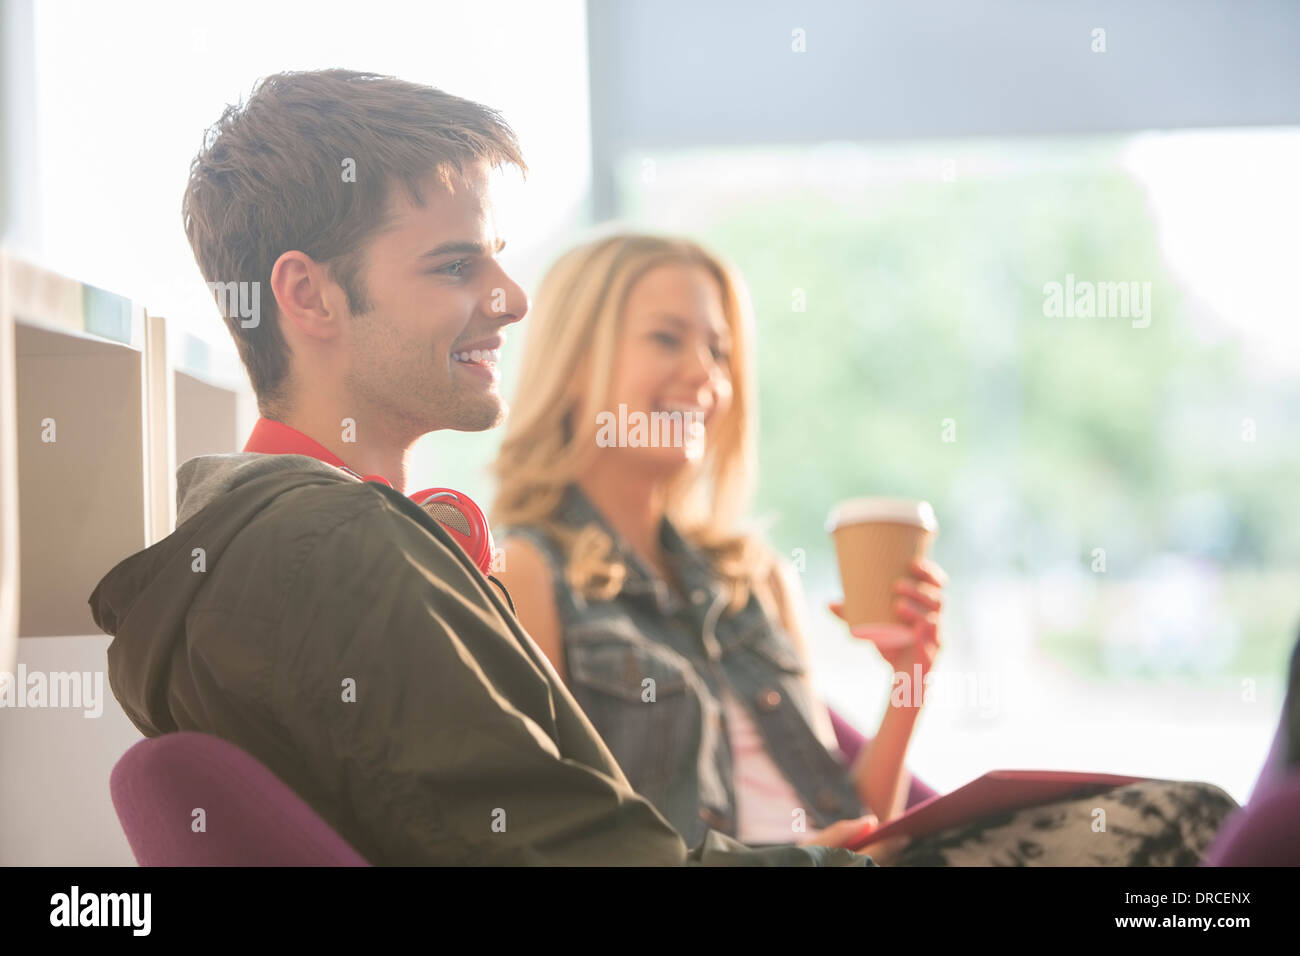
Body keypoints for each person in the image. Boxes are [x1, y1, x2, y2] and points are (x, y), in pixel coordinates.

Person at [88, 69, 870, 866]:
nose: (513, 299)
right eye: (456, 267)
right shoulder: (340, 550)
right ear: (309, 295)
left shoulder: (258, 537)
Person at [487, 231, 1240, 864]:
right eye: (667, 338)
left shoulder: (752, 578)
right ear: (575, 359)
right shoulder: (527, 572)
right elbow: (560, 836)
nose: (706, 375)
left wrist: (909, 680)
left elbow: (856, 823)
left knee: (1193, 825)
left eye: (718, 350)